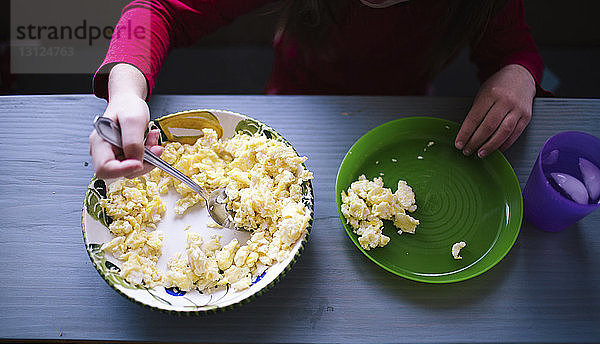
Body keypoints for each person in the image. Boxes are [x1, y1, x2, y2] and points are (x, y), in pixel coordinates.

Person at [89, 0, 549, 178]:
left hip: (403, 109)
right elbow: (159, 10)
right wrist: (126, 93)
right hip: (294, 101)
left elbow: (513, 49)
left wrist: (518, 72)